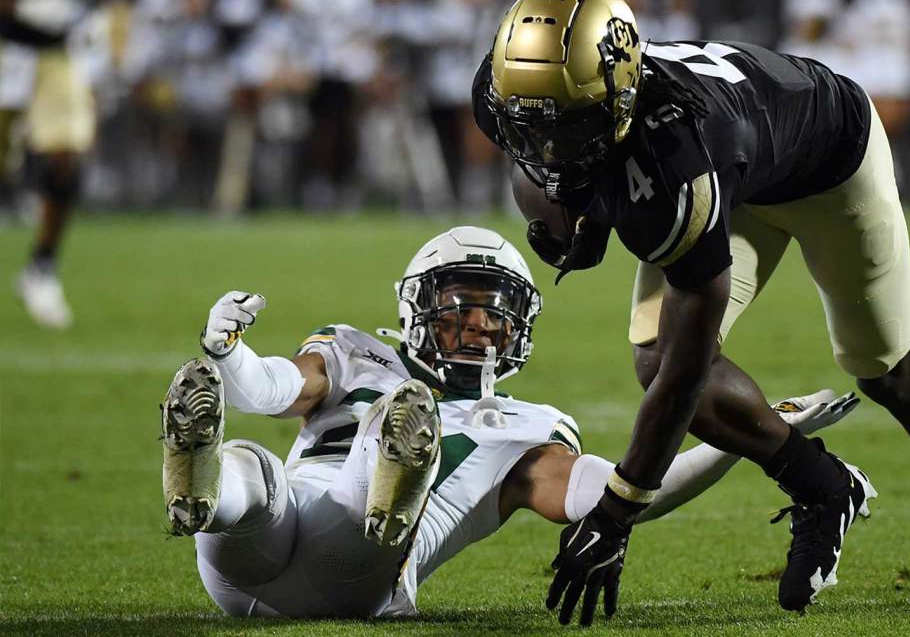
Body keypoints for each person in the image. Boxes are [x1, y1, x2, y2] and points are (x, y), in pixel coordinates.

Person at [471, 0, 910, 623]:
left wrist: (617, 512)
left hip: (828, 165)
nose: (543, 148)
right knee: (653, 356)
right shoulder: (524, 84)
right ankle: (822, 488)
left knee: (885, 370)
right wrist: (579, 213)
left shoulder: (673, 163)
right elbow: (536, 155)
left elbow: (689, 373)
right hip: (737, 164)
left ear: (619, 101)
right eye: (530, 125)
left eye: (569, 126)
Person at [161, 226, 855, 619]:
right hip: (245, 560)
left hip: (355, 574)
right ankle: (199, 492)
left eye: (495, 308)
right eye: (461, 302)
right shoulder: (355, 350)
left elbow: (620, 491)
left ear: (519, 322)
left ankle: (393, 485)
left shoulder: (526, 424)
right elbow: (277, 387)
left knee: (390, 430)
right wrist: (231, 354)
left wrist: (735, 443)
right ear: (417, 307)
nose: (480, 322)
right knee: (251, 464)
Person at [0, 0, 109, 328]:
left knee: (69, 156)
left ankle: (41, 267)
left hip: (57, 56)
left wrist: (92, 19)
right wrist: (21, 6)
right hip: (7, 47)